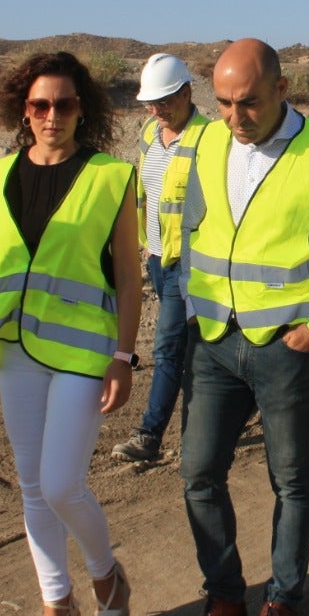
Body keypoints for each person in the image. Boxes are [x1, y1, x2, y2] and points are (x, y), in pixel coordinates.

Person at [176, 38, 309, 616]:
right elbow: (192, 230)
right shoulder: (209, 141)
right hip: (214, 342)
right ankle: (225, 597)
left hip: (288, 347)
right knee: (198, 473)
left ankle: (283, 601)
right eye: (225, 103)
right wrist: (191, 306)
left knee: (291, 480)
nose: (236, 117)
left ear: (284, 89)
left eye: (250, 103)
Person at [0, 52, 140, 616]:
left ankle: (106, 577)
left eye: (64, 104)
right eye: (40, 104)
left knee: (63, 483)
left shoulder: (111, 176)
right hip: (15, 350)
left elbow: (127, 275)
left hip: (86, 351)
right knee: (33, 485)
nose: (51, 116)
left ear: (81, 109)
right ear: (23, 109)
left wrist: (123, 354)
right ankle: (57, 610)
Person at [112, 54, 210, 463]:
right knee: (193, 349)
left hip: (190, 265)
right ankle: (206, 426)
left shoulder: (209, 137)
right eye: (149, 103)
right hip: (157, 256)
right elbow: (145, 189)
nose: (155, 110)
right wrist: (143, 242)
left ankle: (149, 436)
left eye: (164, 101)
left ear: (187, 93)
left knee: (168, 347)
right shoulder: (150, 132)